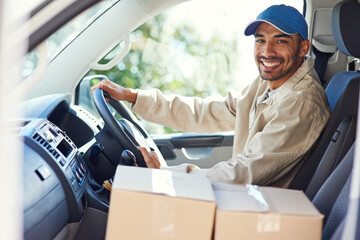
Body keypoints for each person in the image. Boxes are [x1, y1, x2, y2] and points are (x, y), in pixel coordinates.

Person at [91, 4, 330, 188]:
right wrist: (134, 97)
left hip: (259, 213)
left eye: (280, 41)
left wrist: (166, 177)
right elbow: (208, 111)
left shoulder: (301, 103)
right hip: (244, 196)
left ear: (303, 48)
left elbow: (245, 172)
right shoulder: (270, 81)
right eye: (260, 40)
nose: (267, 51)